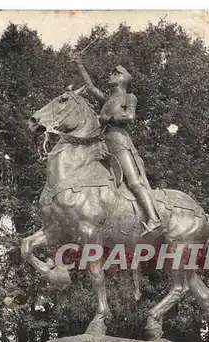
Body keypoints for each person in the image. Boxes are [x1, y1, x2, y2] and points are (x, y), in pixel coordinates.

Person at [73, 55, 162, 235]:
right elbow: (90, 87)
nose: (109, 77)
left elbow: (130, 117)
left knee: (134, 182)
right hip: (103, 146)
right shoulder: (107, 99)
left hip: (120, 143)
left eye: (114, 75)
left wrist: (108, 118)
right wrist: (79, 64)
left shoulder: (129, 97)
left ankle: (154, 218)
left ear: (122, 78)